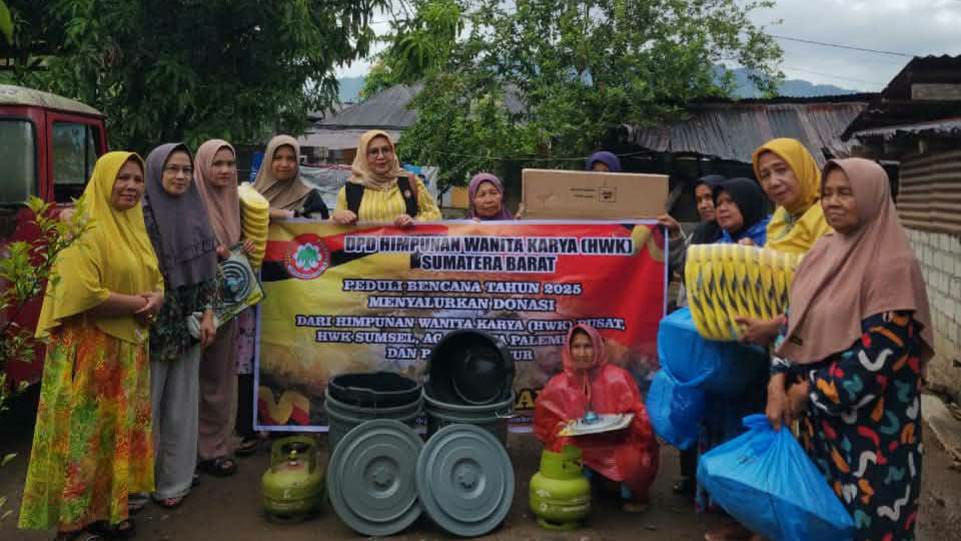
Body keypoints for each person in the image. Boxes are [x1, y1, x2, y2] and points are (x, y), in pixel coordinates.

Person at [766, 158, 932, 541]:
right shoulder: (822, 252)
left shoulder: (893, 267)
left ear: (873, 196)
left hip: (873, 439)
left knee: (869, 529)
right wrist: (776, 380)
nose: (832, 202)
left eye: (845, 193)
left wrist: (805, 392)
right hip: (818, 434)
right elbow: (794, 321)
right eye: (826, 193)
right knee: (819, 525)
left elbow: (873, 361)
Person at [19, 152, 164, 540]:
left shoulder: (133, 227)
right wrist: (141, 304)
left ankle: (104, 512)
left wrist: (158, 297)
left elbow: (154, 277)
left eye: (137, 179)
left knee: (111, 435)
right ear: (102, 180)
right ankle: (71, 525)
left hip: (125, 350)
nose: (131, 186)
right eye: (122, 178)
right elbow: (84, 293)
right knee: (81, 437)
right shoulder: (81, 228)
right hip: (88, 351)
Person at [140, 143, 220, 509]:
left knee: (181, 405)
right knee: (145, 407)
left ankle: (174, 482)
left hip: (189, 321)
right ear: (156, 172)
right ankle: (137, 487)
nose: (181, 176)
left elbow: (209, 270)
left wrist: (209, 314)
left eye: (186, 170)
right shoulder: (140, 215)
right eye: (172, 169)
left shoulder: (196, 209)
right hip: (149, 324)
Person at [534, 324, 659, 513]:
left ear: (598, 348)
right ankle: (577, 489)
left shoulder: (618, 378)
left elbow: (639, 417)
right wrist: (564, 428)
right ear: (568, 349)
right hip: (578, 443)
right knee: (561, 446)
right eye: (577, 347)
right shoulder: (557, 385)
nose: (582, 353)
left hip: (615, 442)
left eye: (587, 346)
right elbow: (545, 424)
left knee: (635, 455)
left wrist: (624, 424)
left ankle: (632, 493)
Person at [193, 139, 256, 476]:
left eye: (230, 164)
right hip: (192, 302)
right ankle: (182, 456)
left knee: (219, 379)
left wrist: (241, 247)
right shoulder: (189, 201)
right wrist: (210, 251)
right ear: (203, 166)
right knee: (187, 381)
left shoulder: (236, 202)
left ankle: (214, 448)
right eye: (217, 164)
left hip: (227, 301)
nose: (225, 170)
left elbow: (236, 247)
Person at [735, 138, 832, 346]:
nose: (773, 182)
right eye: (765, 175)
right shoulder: (781, 216)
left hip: (815, 339)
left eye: (781, 170)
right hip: (779, 339)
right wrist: (755, 254)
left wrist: (774, 326)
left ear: (802, 168)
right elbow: (779, 265)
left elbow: (830, 289)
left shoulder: (828, 216)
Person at [331, 130, 441, 226]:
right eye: (374, 152)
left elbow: (434, 214)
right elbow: (331, 229)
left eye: (385, 150)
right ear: (363, 157)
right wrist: (337, 218)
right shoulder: (351, 189)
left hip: (405, 245)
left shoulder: (409, 181)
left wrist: (415, 221)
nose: (381, 156)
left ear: (393, 153)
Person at [252, 135, 329, 220]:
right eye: (278, 158)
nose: (284, 164)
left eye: (291, 158)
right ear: (268, 160)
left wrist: (286, 215)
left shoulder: (309, 198)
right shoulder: (249, 195)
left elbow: (320, 226)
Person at [713, 178, 770, 246]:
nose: (722, 209)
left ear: (748, 204)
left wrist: (755, 250)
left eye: (730, 201)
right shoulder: (720, 245)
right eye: (718, 204)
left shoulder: (775, 235)